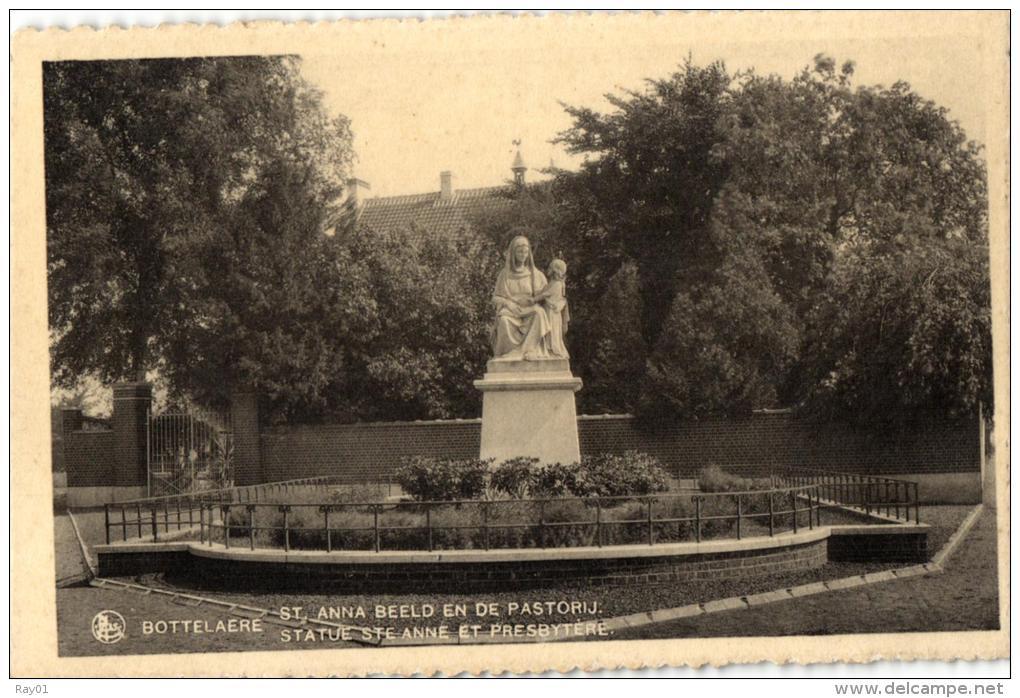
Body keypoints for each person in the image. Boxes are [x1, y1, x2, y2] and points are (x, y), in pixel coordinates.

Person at [490, 234, 551, 360]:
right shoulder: (505, 275)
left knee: (540, 313)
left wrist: (537, 299)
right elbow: (495, 297)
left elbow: (546, 295)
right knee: (503, 320)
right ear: (513, 253)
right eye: (519, 251)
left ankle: (527, 350)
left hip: (530, 311)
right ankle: (510, 352)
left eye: (525, 251)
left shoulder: (536, 274)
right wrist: (508, 303)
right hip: (512, 312)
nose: (523, 254)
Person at [529, 259, 569, 359]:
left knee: (552, 331)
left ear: (555, 270)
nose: (548, 269)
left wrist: (533, 300)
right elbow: (542, 291)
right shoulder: (552, 283)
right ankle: (547, 348)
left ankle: (553, 350)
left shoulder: (557, 284)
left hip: (552, 312)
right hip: (547, 310)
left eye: (551, 267)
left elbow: (545, 294)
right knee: (548, 331)